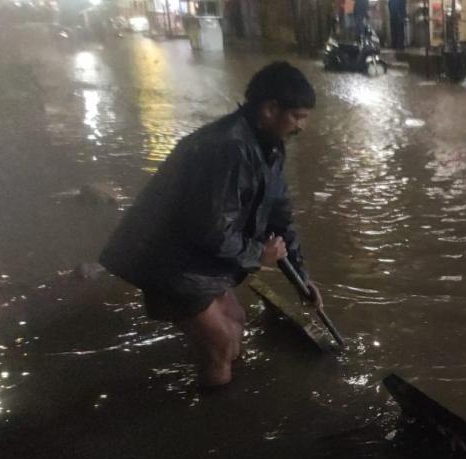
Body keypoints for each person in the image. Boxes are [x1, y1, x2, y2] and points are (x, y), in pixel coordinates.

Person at [100, 61, 321, 388]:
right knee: (220, 344)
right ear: (270, 109)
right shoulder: (227, 149)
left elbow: (279, 214)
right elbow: (211, 230)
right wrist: (259, 253)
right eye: (297, 117)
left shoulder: (269, 146)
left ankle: (227, 390)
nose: (301, 127)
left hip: (197, 259)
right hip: (168, 260)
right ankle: (215, 416)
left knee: (235, 321)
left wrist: (302, 280)